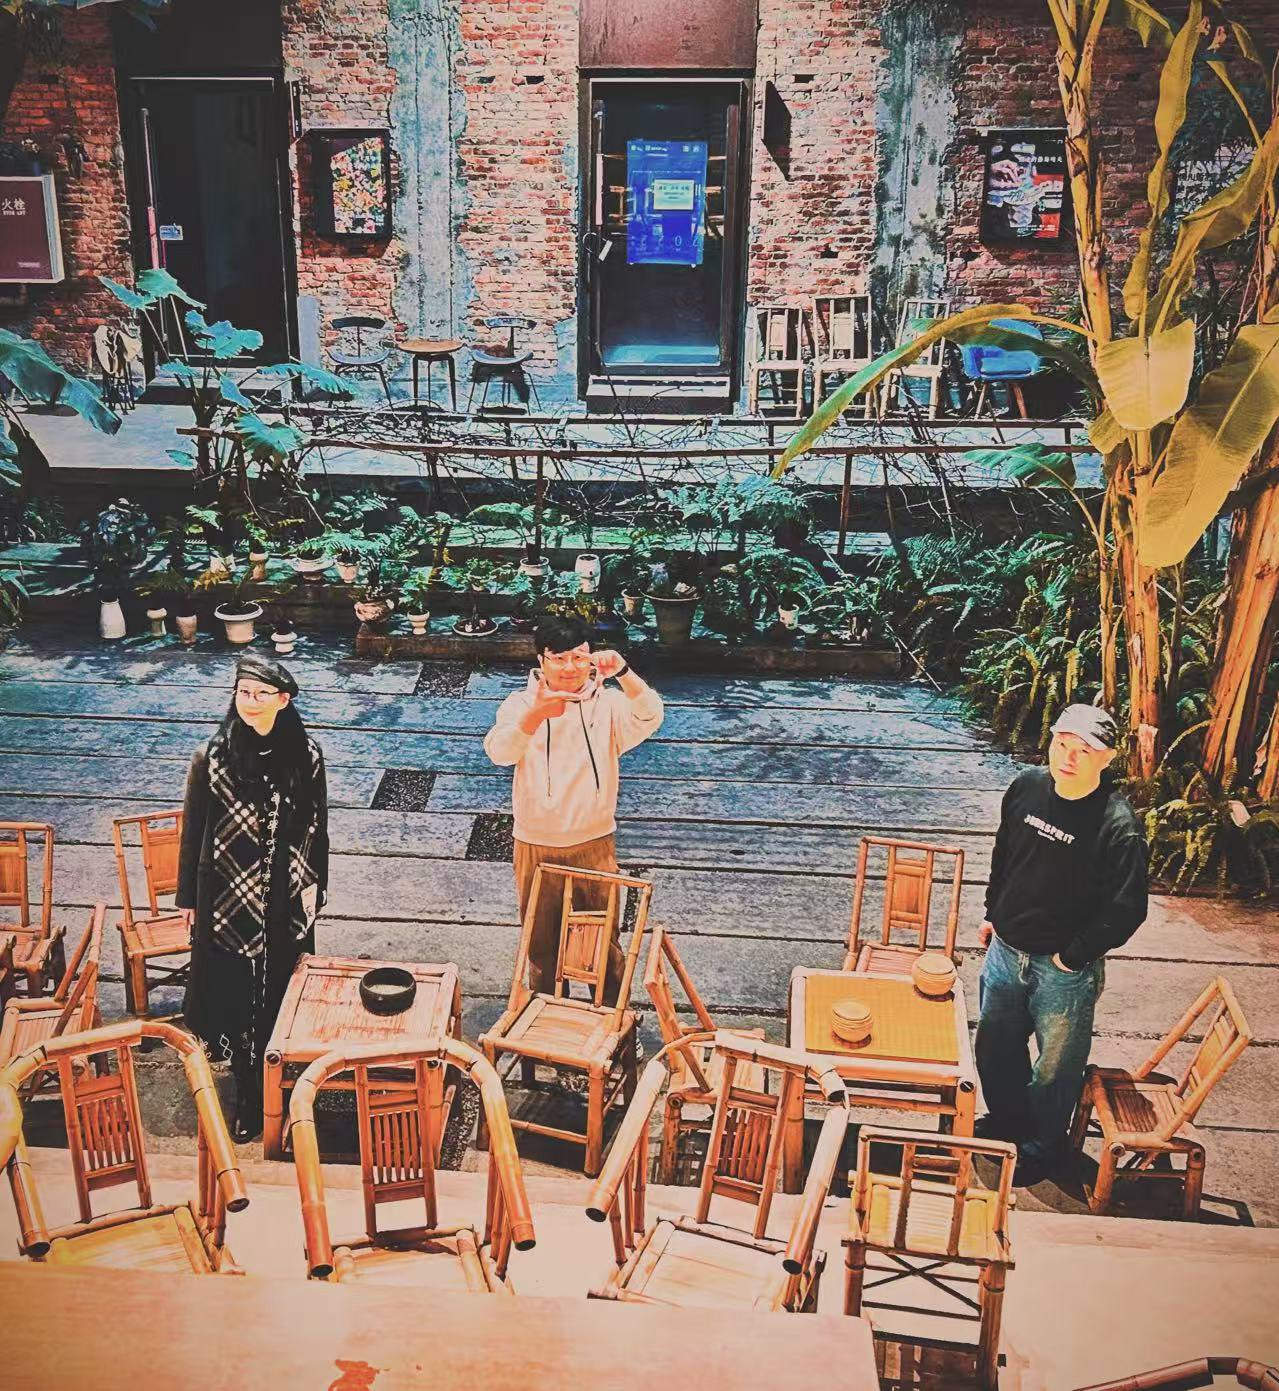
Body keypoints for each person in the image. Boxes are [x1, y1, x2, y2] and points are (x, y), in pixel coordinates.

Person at [975, 703, 1148, 1186]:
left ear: (1107, 758)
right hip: (1005, 949)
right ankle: (1007, 1121)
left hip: (1063, 971)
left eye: (1084, 750)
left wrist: (1072, 958)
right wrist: (993, 913)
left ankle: (1041, 1145)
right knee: (996, 1046)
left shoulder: (1118, 825)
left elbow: (1127, 908)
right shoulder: (1026, 788)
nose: (1068, 758)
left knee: (1055, 1068)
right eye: (1061, 744)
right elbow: (1005, 854)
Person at [177, 656, 329, 1142]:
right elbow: (193, 831)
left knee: (282, 988)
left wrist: (318, 889)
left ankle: (282, 1083)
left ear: (284, 700)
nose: (251, 702)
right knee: (236, 996)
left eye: (262, 693)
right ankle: (247, 1091)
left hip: (287, 895)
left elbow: (319, 825)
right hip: (227, 897)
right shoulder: (211, 757)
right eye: (244, 692)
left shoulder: (306, 755)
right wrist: (188, 900)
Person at [484, 615, 663, 996]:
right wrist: (535, 716)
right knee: (541, 944)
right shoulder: (519, 704)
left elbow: (650, 714)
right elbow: (499, 752)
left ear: (591, 658)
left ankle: (611, 1019)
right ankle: (547, 1016)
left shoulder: (609, 704)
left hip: (594, 842)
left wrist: (625, 673)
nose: (570, 667)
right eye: (559, 658)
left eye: (579, 657)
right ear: (541, 661)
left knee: (604, 943)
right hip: (536, 844)